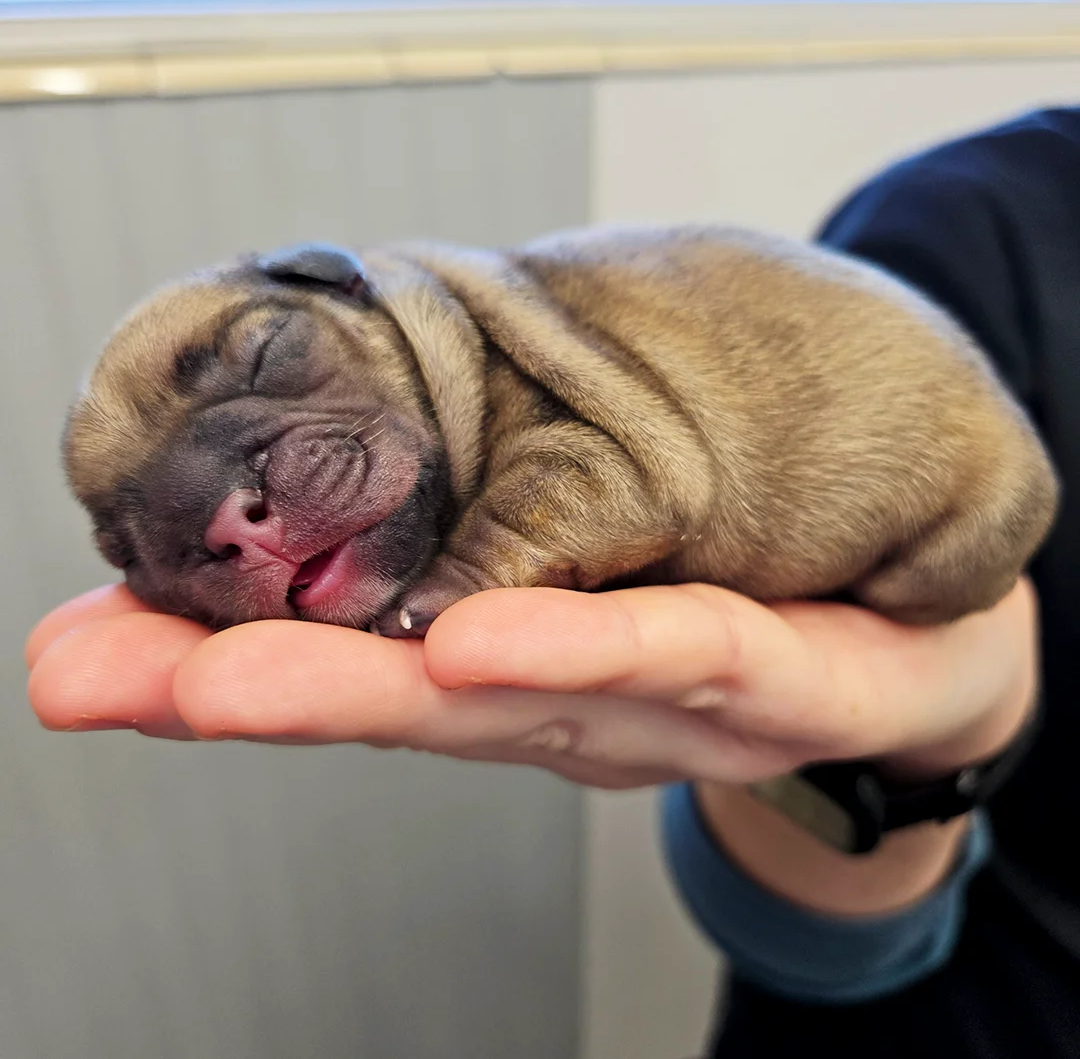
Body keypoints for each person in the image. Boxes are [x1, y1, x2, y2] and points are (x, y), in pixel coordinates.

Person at [25, 106, 1080, 1057]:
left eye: (264, 365)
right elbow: (821, 955)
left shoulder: (523, 371)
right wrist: (913, 764)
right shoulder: (977, 221)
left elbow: (623, 477)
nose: (229, 515)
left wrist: (478, 571)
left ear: (350, 288)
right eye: (134, 542)